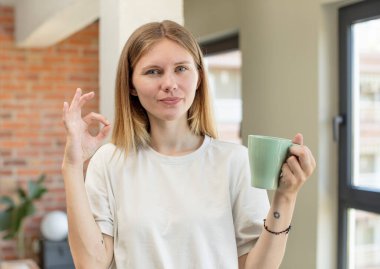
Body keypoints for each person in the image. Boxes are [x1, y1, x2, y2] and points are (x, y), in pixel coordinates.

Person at [61, 20, 316, 269]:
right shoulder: (109, 161)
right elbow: (90, 263)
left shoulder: (235, 162)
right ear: (131, 85)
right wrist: (72, 166)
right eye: (153, 71)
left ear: (199, 78)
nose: (169, 84)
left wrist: (286, 197)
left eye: (181, 68)